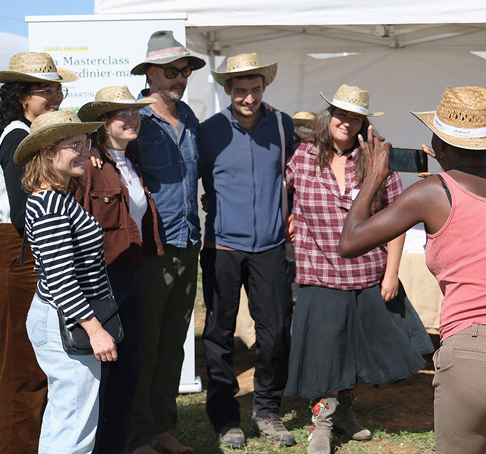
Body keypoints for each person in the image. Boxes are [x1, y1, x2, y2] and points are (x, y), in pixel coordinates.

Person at [339, 86, 486, 454]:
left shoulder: (431, 192)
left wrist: (374, 177)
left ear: (439, 143)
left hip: (473, 350)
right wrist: (447, 171)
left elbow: (350, 242)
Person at [284, 84, 432, 454]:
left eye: (355, 116)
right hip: (319, 271)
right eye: (340, 113)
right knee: (323, 353)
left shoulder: (377, 158)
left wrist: (391, 272)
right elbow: (280, 195)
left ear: (363, 121)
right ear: (328, 114)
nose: (346, 122)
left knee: (353, 351)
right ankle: (321, 425)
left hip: (367, 272)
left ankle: (344, 414)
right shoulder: (302, 156)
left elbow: (396, 216)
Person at [198, 52, 295, 448]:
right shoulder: (208, 131)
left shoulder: (284, 125)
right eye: (241, 91)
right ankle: (224, 417)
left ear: (264, 88)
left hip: (271, 246)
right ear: (227, 90)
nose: (249, 98)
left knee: (275, 333)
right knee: (220, 335)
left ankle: (268, 410)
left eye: (255, 90)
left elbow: (296, 172)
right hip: (221, 246)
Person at [0, 52, 76, 454]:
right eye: (45, 89)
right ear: (22, 96)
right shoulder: (19, 136)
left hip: (21, 253)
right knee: (25, 373)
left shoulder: (27, 133)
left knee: (23, 369)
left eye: (58, 88)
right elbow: (25, 213)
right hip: (18, 253)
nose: (55, 96)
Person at [126, 30, 205, 454]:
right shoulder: (135, 118)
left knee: (174, 342)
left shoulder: (188, 116)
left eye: (186, 69)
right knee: (146, 343)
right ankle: (138, 434)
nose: (180, 77)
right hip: (151, 250)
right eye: (172, 70)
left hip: (187, 242)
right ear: (151, 73)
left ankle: (161, 427)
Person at [75, 86, 165, 454]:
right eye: (122, 114)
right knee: (101, 373)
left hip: (133, 274)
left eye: (136, 113)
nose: (133, 120)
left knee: (128, 369)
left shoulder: (131, 164)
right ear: (102, 124)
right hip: (102, 279)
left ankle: (115, 446)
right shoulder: (89, 167)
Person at [18, 110, 112, 453]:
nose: (85, 152)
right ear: (47, 153)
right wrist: (94, 328)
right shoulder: (50, 206)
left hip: (61, 317)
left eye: (85, 144)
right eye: (75, 145)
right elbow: (60, 280)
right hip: (64, 320)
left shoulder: (56, 198)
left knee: (68, 418)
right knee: (74, 425)